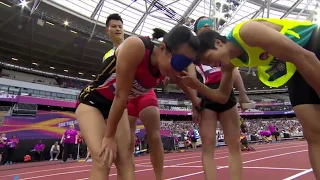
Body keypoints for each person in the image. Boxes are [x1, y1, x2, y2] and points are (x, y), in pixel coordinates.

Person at [75, 25, 218, 180]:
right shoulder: (136, 47)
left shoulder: (167, 66)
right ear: (163, 48)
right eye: (178, 63)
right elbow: (121, 97)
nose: (178, 70)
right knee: (103, 158)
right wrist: (109, 137)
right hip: (92, 102)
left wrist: (196, 103)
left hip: (115, 107)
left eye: (184, 65)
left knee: (124, 159)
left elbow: (181, 80)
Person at [191, 18, 320, 179]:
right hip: (294, 67)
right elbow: (222, 96)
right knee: (313, 134)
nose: (214, 64)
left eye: (210, 58)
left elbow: (305, 56)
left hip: (311, 43)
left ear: (218, 43)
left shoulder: (246, 32)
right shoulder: (231, 63)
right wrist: (196, 85)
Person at [103, 14, 179, 180]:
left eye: (120, 26)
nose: (117, 28)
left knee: (154, 136)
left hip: (145, 94)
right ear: (107, 30)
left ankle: (160, 177)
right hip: (124, 99)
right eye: (113, 26)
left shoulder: (134, 45)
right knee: (127, 143)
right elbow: (109, 83)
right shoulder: (108, 55)